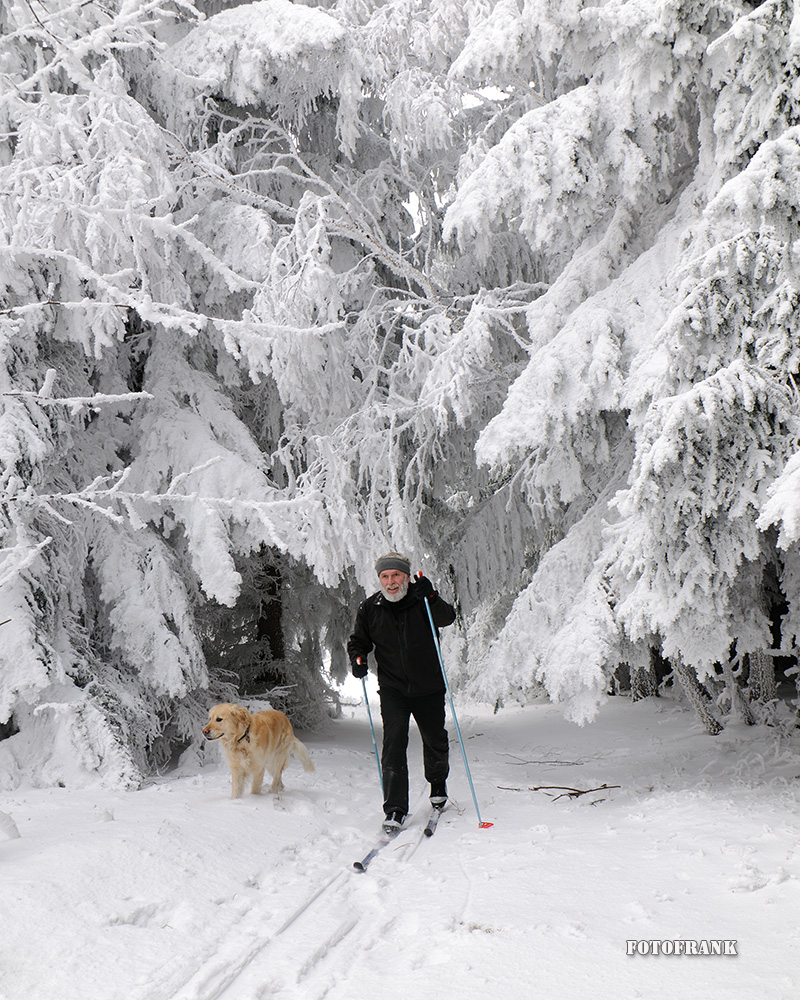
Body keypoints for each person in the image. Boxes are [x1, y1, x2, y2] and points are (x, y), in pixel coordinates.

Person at [347, 551, 457, 833]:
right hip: (393, 688)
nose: (391, 581)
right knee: (393, 743)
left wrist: (431, 596)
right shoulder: (370, 607)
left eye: (396, 575)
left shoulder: (421, 599)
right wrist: (358, 658)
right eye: (385, 576)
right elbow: (358, 641)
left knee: (434, 738)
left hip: (428, 686)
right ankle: (395, 808)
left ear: (406, 577)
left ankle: (437, 785)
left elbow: (447, 618)